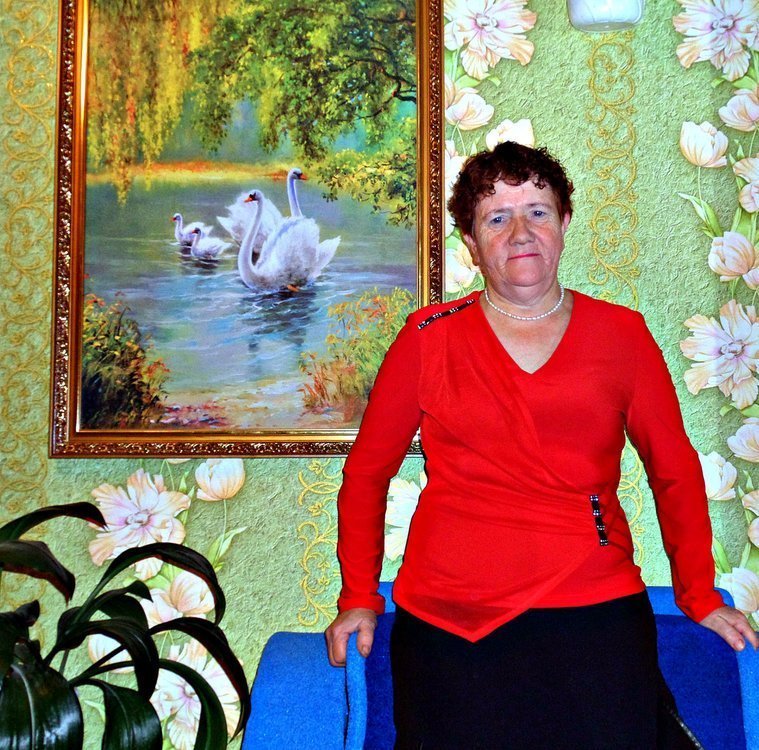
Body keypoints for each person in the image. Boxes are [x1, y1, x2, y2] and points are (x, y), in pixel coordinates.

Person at [325, 141, 758, 749]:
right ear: (471, 244)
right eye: (496, 218)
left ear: (564, 223)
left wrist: (697, 592)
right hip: (450, 619)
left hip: (596, 607)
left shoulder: (622, 334)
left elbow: (674, 471)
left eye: (538, 210)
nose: (520, 232)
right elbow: (367, 474)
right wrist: (358, 596)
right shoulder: (426, 338)